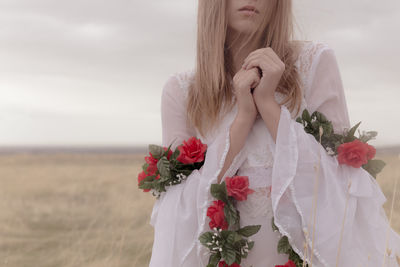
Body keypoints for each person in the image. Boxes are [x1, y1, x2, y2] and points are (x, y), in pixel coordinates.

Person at [148, 0, 400, 266]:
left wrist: (268, 103)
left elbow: (342, 184)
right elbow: (177, 215)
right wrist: (243, 118)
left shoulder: (313, 63)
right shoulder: (182, 91)